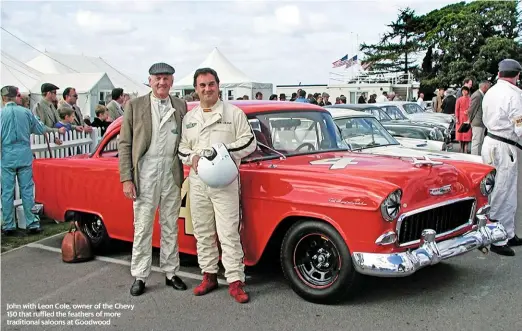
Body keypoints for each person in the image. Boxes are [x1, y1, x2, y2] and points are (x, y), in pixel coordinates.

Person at [178, 67, 256, 303]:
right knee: (203, 231)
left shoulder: (233, 113)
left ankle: (235, 281)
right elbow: (182, 146)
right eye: (202, 85)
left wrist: (223, 152)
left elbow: (249, 142)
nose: (207, 89)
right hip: (198, 180)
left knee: (228, 232)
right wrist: (191, 157)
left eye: (211, 84)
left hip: (225, 181)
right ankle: (209, 275)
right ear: (196, 89)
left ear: (218, 85)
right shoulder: (189, 118)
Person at [118, 62, 188, 296]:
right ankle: (140, 275)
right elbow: (125, 143)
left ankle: (171, 272)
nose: (162, 82)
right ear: (149, 81)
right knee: (143, 226)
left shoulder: (180, 105)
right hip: (146, 170)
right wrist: (126, 178)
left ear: (172, 81)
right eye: (157, 78)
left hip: (170, 169)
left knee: (170, 224)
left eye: (166, 78)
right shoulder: (135, 106)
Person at [481, 58, 522, 256]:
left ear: (499, 74)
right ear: (517, 76)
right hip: (504, 145)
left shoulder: (491, 91)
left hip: (491, 142)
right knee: (502, 191)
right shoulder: (514, 95)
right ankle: (496, 238)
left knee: (505, 190)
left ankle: (507, 232)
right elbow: (520, 126)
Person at [1, 85, 46, 236]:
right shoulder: (26, 112)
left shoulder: (1, 114)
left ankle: (8, 224)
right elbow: (40, 130)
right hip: (24, 154)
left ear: (3, 98)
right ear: (16, 96)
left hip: (6, 156)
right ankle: (32, 222)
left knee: (7, 191)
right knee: (27, 190)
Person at [469, 81, 491, 155]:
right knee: (476, 142)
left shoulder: (480, 94)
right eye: (488, 87)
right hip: (477, 122)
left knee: (479, 142)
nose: (489, 88)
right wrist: (470, 120)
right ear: (484, 87)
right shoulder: (477, 95)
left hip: (480, 122)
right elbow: (472, 109)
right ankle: (474, 158)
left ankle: (477, 156)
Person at [455, 86, 472, 153]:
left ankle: (466, 147)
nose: (464, 92)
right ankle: (460, 147)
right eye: (463, 91)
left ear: (468, 92)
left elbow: (471, 108)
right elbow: (456, 110)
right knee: (460, 134)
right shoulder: (459, 100)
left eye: (466, 91)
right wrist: (457, 118)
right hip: (460, 118)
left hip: (467, 118)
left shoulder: (470, 99)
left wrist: (468, 111)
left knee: (467, 133)